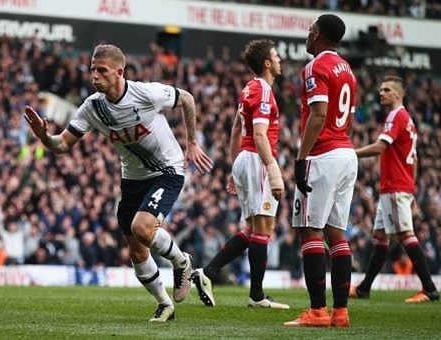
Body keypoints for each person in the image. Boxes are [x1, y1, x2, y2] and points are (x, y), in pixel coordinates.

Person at [24, 44, 213, 322]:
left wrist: (192, 142)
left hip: (167, 170)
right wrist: (44, 137)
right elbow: (62, 144)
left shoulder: (145, 93)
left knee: (142, 228)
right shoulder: (92, 107)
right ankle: (164, 304)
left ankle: (181, 262)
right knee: (136, 249)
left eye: (101, 70)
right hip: (132, 179)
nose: (94, 76)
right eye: (92, 70)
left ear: (119, 72)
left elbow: (186, 99)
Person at [191, 39, 289, 309]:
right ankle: (256, 296)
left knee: (253, 228)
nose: (280, 60)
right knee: (264, 228)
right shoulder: (264, 92)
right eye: (276, 56)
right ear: (267, 63)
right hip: (258, 159)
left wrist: (236, 168)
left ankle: (208, 272)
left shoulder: (248, 89)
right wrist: (272, 169)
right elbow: (258, 134)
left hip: (246, 159)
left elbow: (236, 130)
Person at [284, 14, 357, 328]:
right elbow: (348, 116)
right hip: (346, 151)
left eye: (311, 29)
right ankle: (340, 312)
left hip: (323, 154)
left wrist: (301, 158)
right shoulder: (348, 70)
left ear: (319, 35)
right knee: (336, 235)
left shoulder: (316, 67)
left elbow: (318, 115)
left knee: (310, 230)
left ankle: (316, 312)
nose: (307, 33)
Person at [349, 75, 439, 303]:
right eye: (381, 89)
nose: (382, 93)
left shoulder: (397, 116)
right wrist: (411, 188)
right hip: (397, 187)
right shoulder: (408, 120)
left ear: (399, 94)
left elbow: (381, 147)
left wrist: (352, 152)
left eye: (387, 89)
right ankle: (364, 289)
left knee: (405, 235)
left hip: (395, 187)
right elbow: (415, 159)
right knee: (380, 237)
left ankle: (429, 289)